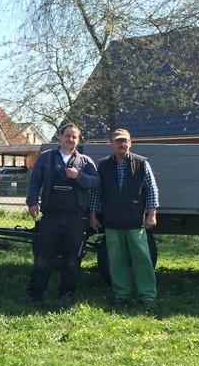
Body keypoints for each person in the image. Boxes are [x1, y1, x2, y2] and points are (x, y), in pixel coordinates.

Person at [17, 123, 100, 307]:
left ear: (78, 140)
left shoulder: (85, 162)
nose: (70, 139)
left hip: (76, 219)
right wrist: (32, 203)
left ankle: (66, 295)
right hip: (51, 216)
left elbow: (96, 182)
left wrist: (78, 176)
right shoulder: (46, 158)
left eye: (74, 137)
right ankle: (34, 295)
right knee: (43, 258)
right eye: (67, 135)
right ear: (60, 137)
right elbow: (35, 182)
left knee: (72, 259)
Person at [89, 129, 159, 308]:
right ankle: (121, 294)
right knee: (116, 261)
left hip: (135, 220)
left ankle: (148, 296)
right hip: (112, 221)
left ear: (130, 143)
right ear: (112, 144)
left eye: (124, 141)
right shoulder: (103, 165)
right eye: (117, 141)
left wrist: (151, 214)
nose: (121, 144)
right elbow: (97, 192)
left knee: (142, 260)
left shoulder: (142, 163)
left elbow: (151, 190)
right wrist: (93, 214)